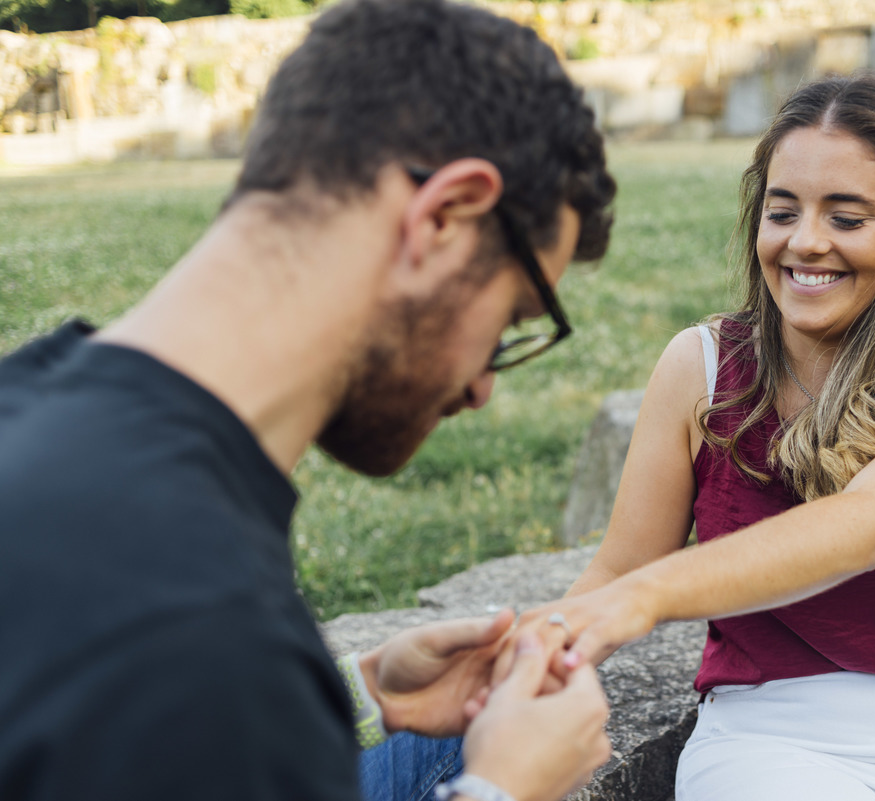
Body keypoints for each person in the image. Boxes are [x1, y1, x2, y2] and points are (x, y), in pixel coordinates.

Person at [0, 0, 617, 799]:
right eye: (510, 320)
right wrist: (499, 791)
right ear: (444, 216)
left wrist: (350, 696)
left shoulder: (33, 392)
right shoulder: (210, 635)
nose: (483, 384)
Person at [501, 73, 875, 800]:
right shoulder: (699, 366)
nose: (805, 243)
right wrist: (538, 647)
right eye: (782, 211)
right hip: (768, 742)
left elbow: (867, 526)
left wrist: (650, 596)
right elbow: (619, 568)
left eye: (848, 217)